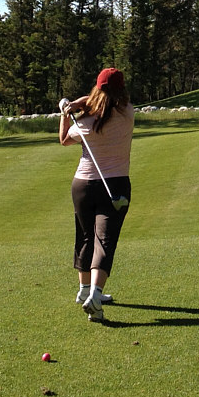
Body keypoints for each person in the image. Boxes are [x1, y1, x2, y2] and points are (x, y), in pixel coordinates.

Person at [59, 68, 134, 322]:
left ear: (97, 89)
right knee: (105, 239)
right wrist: (79, 105)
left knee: (85, 235)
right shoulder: (128, 114)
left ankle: (84, 290)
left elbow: (64, 140)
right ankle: (94, 294)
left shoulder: (84, 122)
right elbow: (104, 103)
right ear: (122, 89)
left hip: (82, 185)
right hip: (116, 185)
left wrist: (67, 112)